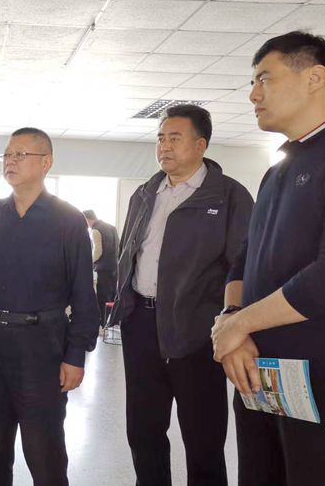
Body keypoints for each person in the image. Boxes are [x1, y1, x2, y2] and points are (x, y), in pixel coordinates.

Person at [212, 31, 325, 486]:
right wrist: (233, 320)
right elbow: (244, 261)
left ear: (314, 77)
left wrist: (238, 325)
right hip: (261, 378)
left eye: (264, 78)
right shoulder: (277, 170)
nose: (253, 95)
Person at [106, 104, 253, 486]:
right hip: (141, 324)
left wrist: (234, 321)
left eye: (175, 138)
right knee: (143, 431)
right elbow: (128, 253)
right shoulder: (145, 193)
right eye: (160, 138)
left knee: (203, 438)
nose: (164, 146)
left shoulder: (228, 196)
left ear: (200, 145)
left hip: (197, 332)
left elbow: (243, 265)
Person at [0, 127, 99, 486]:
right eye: (7, 154)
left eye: (21, 154)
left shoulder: (68, 219)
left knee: (45, 454)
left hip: (42, 347)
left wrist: (76, 354)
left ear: (46, 162)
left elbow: (84, 293)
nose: (10, 161)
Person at [83, 209, 118, 322]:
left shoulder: (95, 230)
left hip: (103, 269)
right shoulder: (112, 227)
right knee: (113, 295)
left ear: (87, 219)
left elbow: (97, 252)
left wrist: (87, 263)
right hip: (115, 267)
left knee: (103, 297)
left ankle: (103, 322)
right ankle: (112, 321)